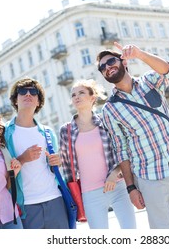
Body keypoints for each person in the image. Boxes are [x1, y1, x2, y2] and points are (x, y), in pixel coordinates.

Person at [97, 42, 169, 229]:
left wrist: (140, 54)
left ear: (124, 62)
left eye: (110, 61)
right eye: (102, 67)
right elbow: (121, 150)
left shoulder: (149, 82)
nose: (107, 67)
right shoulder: (110, 109)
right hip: (149, 176)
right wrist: (131, 188)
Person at [58, 79, 136, 229]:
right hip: (90, 193)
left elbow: (122, 151)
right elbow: (67, 166)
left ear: (93, 97)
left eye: (81, 93)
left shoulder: (106, 122)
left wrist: (116, 173)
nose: (76, 97)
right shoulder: (65, 130)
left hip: (117, 187)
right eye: (73, 95)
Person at [4, 77, 69, 229]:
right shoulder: (5, 133)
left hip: (55, 199)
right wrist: (23, 159)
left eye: (33, 92)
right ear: (15, 100)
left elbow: (54, 167)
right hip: (27, 206)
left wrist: (57, 161)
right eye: (22, 91)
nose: (28, 94)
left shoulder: (47, 132)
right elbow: (1, 171)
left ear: (39, 102)